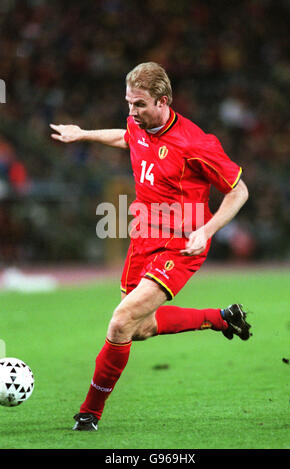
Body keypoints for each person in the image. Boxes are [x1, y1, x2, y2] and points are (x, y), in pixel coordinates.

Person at [50, 62, 252, 432]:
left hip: (181, 245)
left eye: (139, 105)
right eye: (128, 103)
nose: (132, 112)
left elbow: (239, 191)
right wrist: (82, 135)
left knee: (120, 321)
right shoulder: (139, 123)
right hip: (143, 240)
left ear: (163, 101)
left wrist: (206, 230)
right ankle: (220, 317)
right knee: (139, 329)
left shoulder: (194, 143)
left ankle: (88, 414)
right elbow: (126, 136)